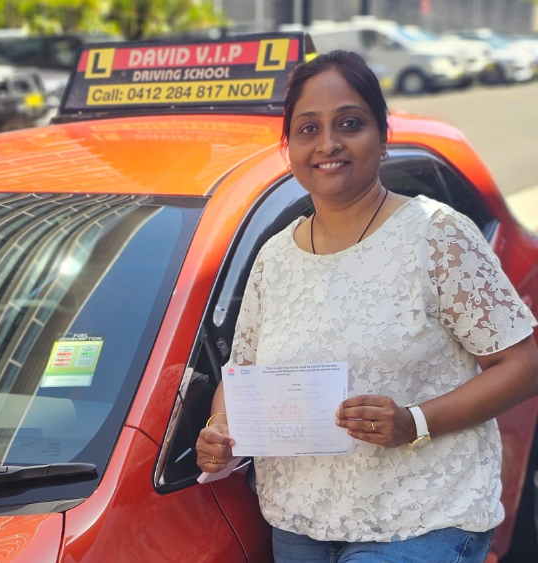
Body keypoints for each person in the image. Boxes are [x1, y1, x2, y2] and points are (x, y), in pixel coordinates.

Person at [196, 50, 538, 563]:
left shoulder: (437, 235)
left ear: (382, 136)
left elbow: (522, 365)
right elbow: (242, 372)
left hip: (421, 519)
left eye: (349, 123)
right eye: (308, 129)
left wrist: (413, 421)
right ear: (289, 148)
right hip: (298, 522)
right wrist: (221, 428)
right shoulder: (274, 256)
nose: (328, 144)